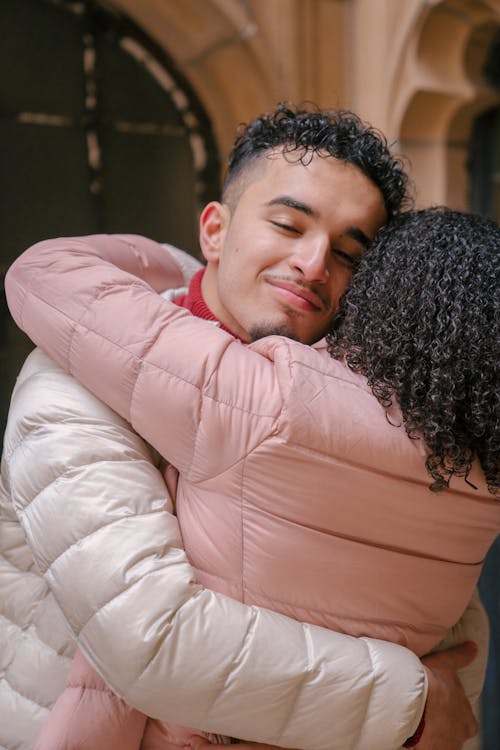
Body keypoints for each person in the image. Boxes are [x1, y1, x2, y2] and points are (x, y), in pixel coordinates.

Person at [3, 105, 490, 750]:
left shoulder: (342, 404)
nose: (314, 264)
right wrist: (408, 704)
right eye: (288, 225)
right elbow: (147, 635)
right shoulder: (71, 378)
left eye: (349, 253)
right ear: (215, 230)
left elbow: (448, 631)